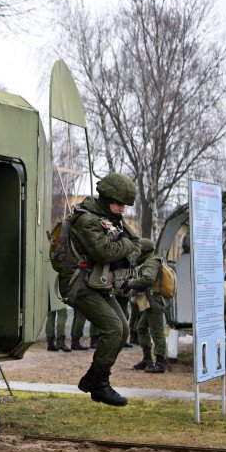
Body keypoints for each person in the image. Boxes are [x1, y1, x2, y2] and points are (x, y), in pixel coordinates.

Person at [57, 173, 140, 406]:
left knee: (123, 330)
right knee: (113, 328)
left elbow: (138, 246)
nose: (122, 209)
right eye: (119, 203)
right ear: (105, 198)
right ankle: (100, 384)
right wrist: (125, 246)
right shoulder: (87, 220)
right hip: (79, 284)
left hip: (100, 283)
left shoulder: (113, 218)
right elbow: (105, 252)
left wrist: (125, 250)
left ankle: (92, 379)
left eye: (124, 205)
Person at [127, 238, 168, 373]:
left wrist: (130, 283)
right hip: (150, 301)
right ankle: (147, 359)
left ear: (144, 252)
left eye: (139, 252)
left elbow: (148, 279)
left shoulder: (151, 263)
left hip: (154, 302)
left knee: (157, 332)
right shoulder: (151, 260)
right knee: (141, 327)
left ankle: (160, 363)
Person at [46, 277, 70, 351]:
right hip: (57, 289)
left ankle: (50, 343)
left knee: (50, 316)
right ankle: (60, 342)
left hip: (48, 289)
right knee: (63, 314)